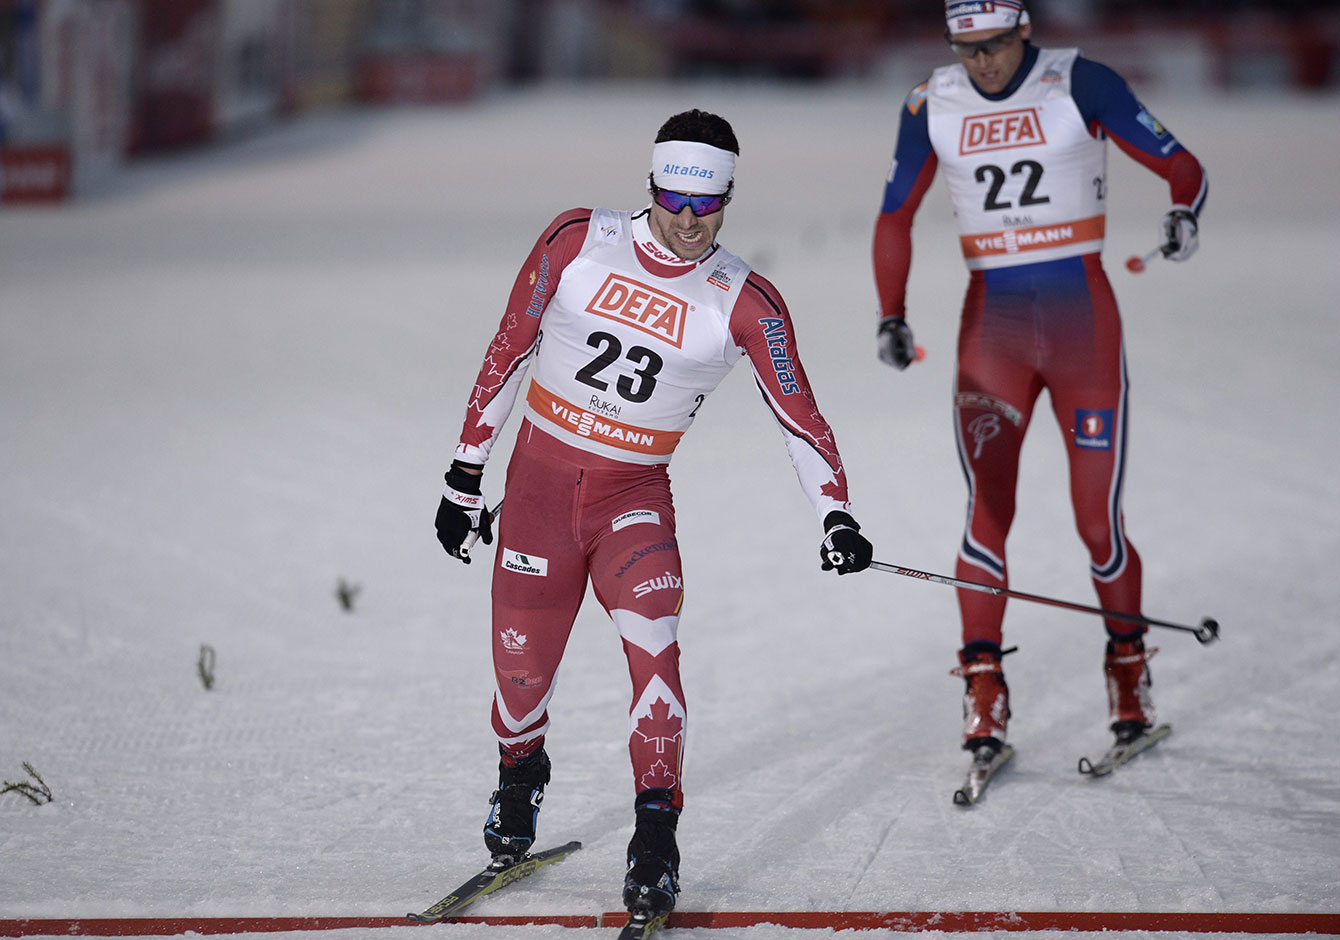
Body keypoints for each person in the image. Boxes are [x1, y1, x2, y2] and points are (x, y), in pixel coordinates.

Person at [435, 109, 873, 919]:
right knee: (520, 676)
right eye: (674, 197)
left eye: (706, 204)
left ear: (728, 198)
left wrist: (836, 515)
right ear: (652, 185)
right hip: (535, 494)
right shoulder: (577, 239)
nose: (687, 219)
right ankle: (521, 771)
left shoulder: (745, 301)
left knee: (656, 653)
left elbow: (801, 417)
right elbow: (508, 348)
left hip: (631, 503)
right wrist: (465, 478)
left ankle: (655, 836)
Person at [871, 1, 1207, 766]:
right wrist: (890, 314)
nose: (981, 63)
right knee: (987, 511)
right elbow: (894, 214)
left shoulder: (1079, 80)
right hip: (993, 331)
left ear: (1025, 31)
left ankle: (1128, 668)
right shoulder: (932, 101)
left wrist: (1185, 210)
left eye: (993, 46)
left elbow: (1181, 164)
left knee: (1097, 522)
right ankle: (983, 685)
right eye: (966, 50)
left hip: (1083, 327)